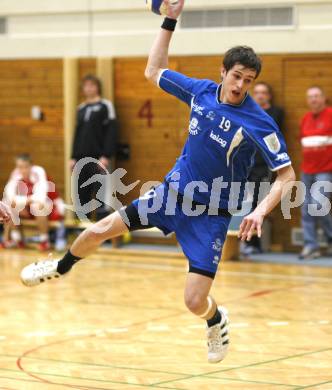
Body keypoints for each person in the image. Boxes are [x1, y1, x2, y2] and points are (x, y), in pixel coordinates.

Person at [20, 0, 295, 364]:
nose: (240, 85)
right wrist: (169, 19)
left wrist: (260, 212)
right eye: (236, 76)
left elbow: (287, 176)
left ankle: (216, 319)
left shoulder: (259, 121)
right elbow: (153, 70)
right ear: (224, 72)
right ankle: (59, 267)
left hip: (210, 215)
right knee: (99, 228)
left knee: (194, 301)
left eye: (248, 80)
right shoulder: (200, 92)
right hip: (170, 196)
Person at [240, 82, 285, 256]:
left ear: (269, 96)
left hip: (264, 166)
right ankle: (247, 241)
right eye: (256, 93)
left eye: (263, 93)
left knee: (257, 204)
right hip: (246, 165)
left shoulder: (275, 113)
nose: (259, 96)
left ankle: (254, 243)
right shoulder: (247, 111)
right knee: (245, 204)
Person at [70, 75, 117, 220]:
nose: (89, 88)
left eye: (92, 85)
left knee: (101, 196)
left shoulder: (105, 106)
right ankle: (81, 233)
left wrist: (106, 155)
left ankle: (104, 235)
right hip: (80, 160)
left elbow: (112, 131)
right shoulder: (81, 108)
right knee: (81, 195)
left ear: (97, 87)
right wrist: (72, 157)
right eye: (86, 85)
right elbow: (77, 134)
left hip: (98, 159)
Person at [1, 154, 65, 251]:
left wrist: (21, 202)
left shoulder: (39, 172)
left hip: (51, 207)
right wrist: (21, 203)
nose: (23, 170)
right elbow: (9, 196)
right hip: (28, 207)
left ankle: (44, 240)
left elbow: (41, 197)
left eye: (25, 167)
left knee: (37, 206)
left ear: (31, 166)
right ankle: (16, 239)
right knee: (8, 206)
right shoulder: (16, 173)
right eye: (20, 167)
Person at [299, 86, 332, 259]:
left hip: (326, 170)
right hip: (307, 170)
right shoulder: (305, 118)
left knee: (318, 205)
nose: (313, 99)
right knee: (305, 208)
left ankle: (330, 237)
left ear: (323, 98)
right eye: (310, 96)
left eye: (317, 96)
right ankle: (311, 245)